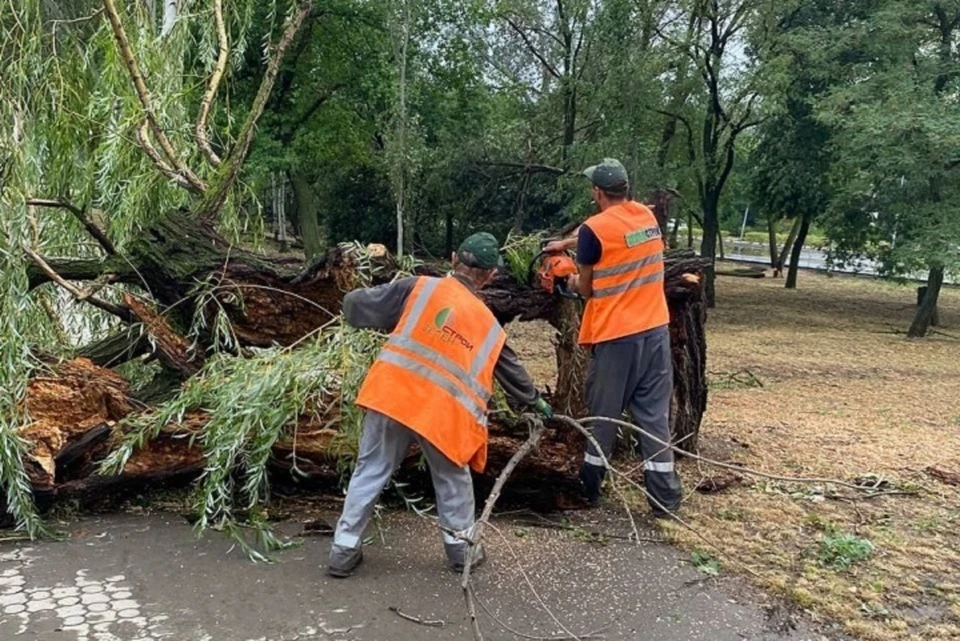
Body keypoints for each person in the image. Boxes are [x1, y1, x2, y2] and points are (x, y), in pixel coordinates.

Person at [327, 232, 553, 578]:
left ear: (452, 259)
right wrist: (536, 403)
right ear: (491, 275)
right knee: (452, 481)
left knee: (371, 470)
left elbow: (357, 307)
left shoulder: (418, 287)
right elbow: (513, 373)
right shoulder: (489, 326)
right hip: (445, 413)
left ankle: (343, 549)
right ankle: (462, 552)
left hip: (393, 395)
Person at [551, 158, 682, 516]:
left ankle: (589, 490)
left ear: (596, 192)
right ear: (625, 189)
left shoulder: (595, 228)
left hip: (616, 335)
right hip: (655, 331)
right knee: (654, 417)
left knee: (604, 416)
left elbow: (588, 288)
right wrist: (563, 243)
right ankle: (665, 500)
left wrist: (567, 280)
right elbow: (602, 233)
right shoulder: (645, 216)